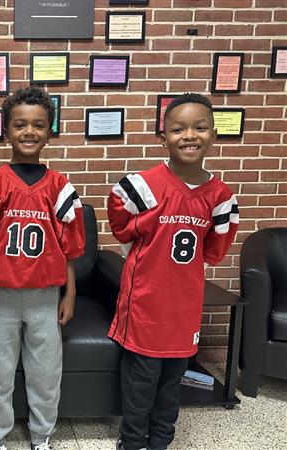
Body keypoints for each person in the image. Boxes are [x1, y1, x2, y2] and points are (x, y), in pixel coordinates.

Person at [107, 93, 239, 450]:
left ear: (213, 134)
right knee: (140, 384)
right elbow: (121, 227)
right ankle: (131, 443)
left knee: (171, 384)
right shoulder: (141, 186)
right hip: (144, 307)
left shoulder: (222, 197)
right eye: (178, 128)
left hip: (183, 310)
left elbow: (212, 252)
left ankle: (162, 441)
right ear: (163, 137)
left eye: (200, 128)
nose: (189, 136)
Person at [0, 87, 86, 450]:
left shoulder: (61, 186)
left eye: (38, 124)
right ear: (6, 132)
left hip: (44, 297)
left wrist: (71, 292)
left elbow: (69, 248)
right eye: (20, 124)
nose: (29, 132)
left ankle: (41, 435)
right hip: (0, 295)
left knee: (45, 374)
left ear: (50, 130)